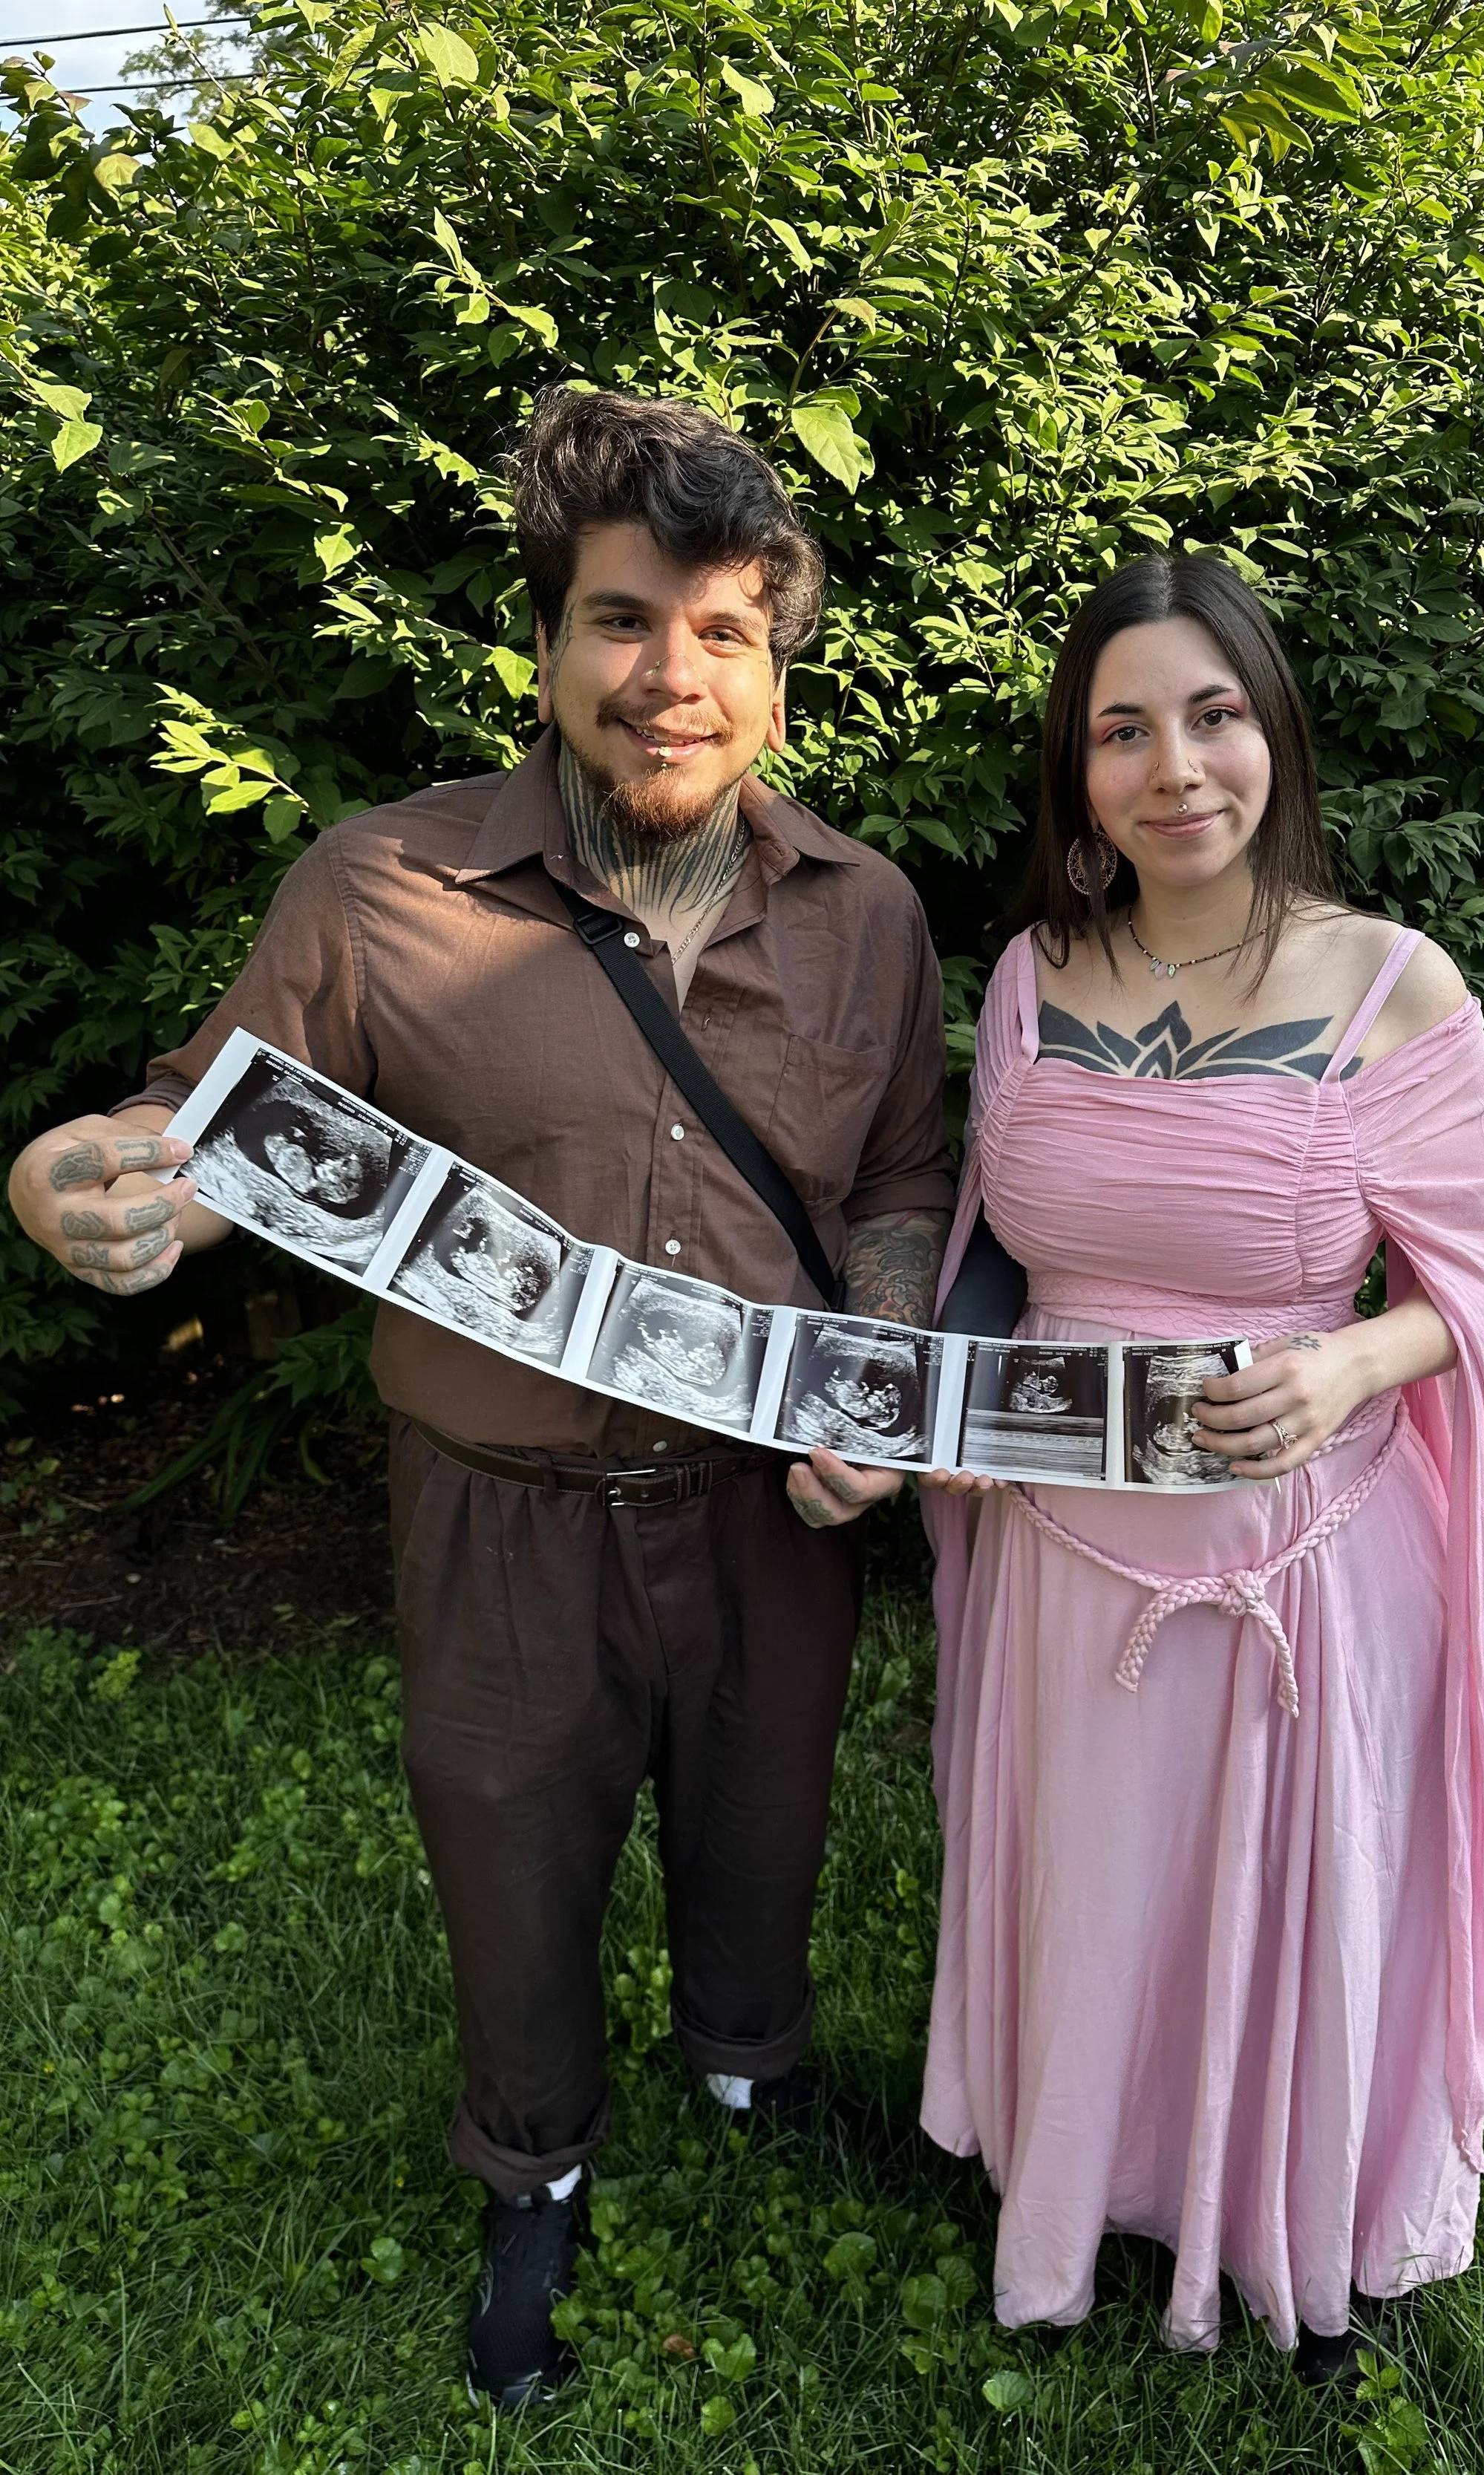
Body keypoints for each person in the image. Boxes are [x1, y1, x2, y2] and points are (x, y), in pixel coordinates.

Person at [7, 391, 954, 2409]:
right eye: (622, 620)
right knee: (508, 1848)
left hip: (767, 1503)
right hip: (499, 1502)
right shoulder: (383, 889)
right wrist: (70, 1177)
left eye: (722, 632)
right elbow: (201, 1130)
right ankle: (536, 2167)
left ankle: (747, 2063)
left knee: (765, 1812)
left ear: (776, 672)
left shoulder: (867, 915)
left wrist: (876, 1377)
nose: (671, 676)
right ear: (543, 646)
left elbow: (896, 1183)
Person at [919, 554, 1484, 2380]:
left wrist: (1348, 1360)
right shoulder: (1031, 976)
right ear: (1077, 769)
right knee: (1100, 1873)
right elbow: (993, 1241)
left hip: (1296, 1551)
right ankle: (1084, 2173)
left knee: (1274, 1884)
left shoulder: (1391, 984)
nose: (1172, 767)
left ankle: (1280, 2206)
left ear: (1273, 732)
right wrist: (951, 1407)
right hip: (1065, 1552)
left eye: (1211, 716)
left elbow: (1476, 1274)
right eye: (1121, 731)